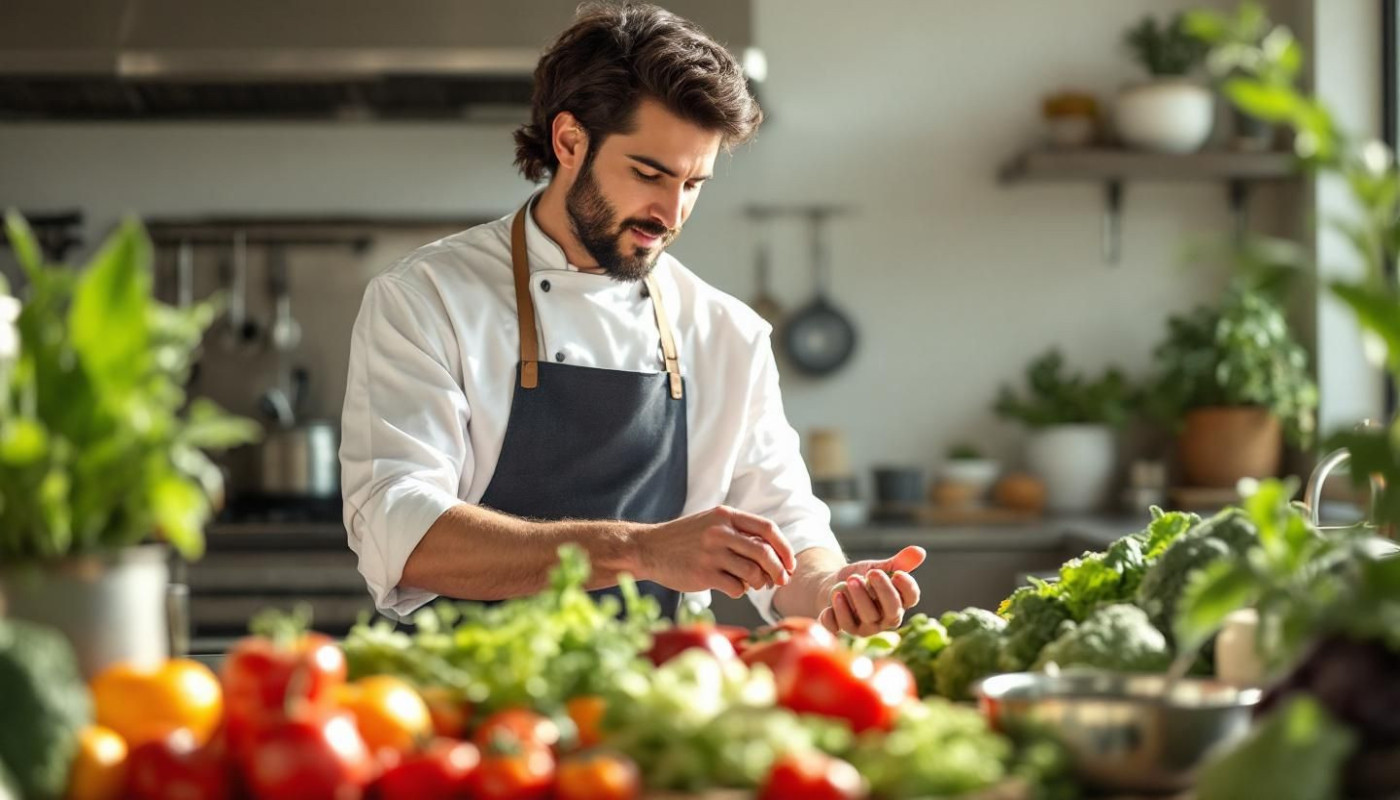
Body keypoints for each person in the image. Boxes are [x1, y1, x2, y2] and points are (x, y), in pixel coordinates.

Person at [340, 1, 924, 634]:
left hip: (654, 700)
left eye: (694, 184)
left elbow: (787, 528)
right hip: (473, 697)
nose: (669, 213)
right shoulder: (428, 299)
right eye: (649, 173)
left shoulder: (724, 331)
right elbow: (405, 530)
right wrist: (639, 551)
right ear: (569, 141)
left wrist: (835, 587)